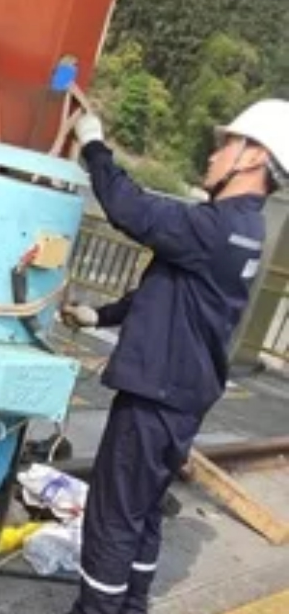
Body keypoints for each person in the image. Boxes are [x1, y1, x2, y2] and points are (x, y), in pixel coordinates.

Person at [61, 99, 289, 614]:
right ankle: (133, 605)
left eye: (226, 145)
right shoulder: (243, 230)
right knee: (142, 512)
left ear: (254, 157)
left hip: (155, 397)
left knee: (112, 517)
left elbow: (131, 209)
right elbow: (172, 291)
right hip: (183, 397)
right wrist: (101, 316)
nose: (213, 154)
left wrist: (94, 145)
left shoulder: (214, 227)